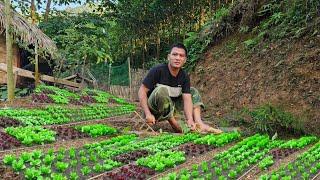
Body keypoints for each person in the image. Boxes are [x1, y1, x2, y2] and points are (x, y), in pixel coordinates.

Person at [138, 43, 223, 134]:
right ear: (168, 57)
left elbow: (187, 99)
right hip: (155, 110)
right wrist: (148, 113)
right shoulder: (158, 70)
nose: (177, 58)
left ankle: (199, 122)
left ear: (185, 60)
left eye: (181, 56)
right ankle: (174, 124)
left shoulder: (184, 76)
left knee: (192, 91)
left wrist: (189, 119)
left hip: (172, 107)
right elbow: (142, 91)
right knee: (161, 90)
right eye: (174, 54)